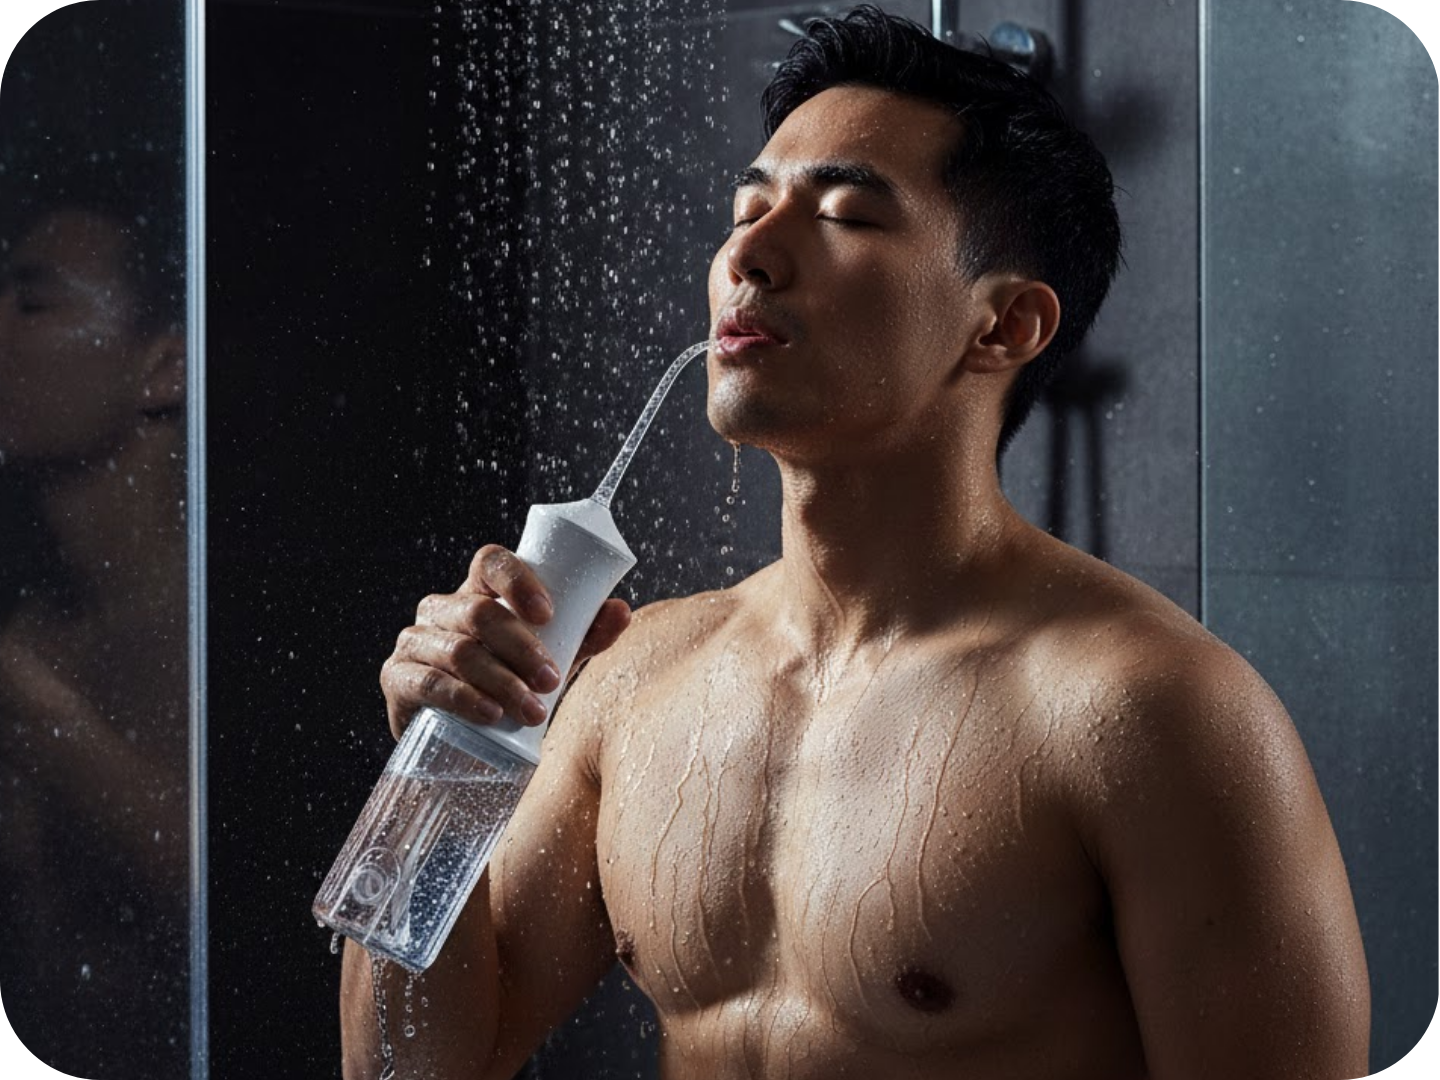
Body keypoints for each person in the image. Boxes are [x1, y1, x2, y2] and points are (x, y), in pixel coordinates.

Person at [341, 8, 1370, 1078]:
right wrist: (437, 771)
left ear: (1004, 325)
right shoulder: (636, 681)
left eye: (844, 215)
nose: (748, 254)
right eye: (746, 209)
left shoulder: (1149, 715)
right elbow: (406, 1069)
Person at [0, 160, 189, 1076]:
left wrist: (39, 713)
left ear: (164, 365)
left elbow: (266, 916)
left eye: (34, 304)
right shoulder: (32, 634)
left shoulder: (220, 636)